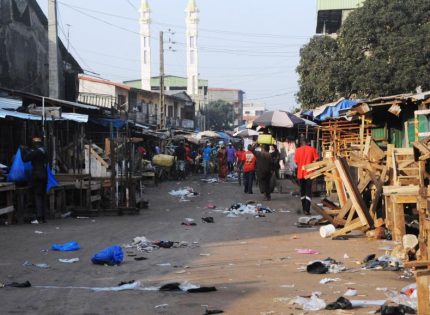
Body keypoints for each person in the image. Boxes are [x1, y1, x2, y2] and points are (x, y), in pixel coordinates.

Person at [21, 138, 48, 223]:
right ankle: (43, 218)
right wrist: (29, 150)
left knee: (37, 195)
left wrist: (23, 151)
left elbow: (25, 159)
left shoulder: (35, 152)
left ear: (35, 144)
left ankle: (39, 217)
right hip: (44, 174)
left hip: (36, 175)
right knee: (43, 195)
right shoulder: (45, 151)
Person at [294, 138, 319, 215]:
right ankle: (307, 210)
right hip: (309, 173)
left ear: (301, 143)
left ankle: (303, 207)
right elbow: (316, 160)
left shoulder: (297, 150)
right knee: (308, 191)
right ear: (308, 142)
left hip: (300, 174)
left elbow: (296, 162)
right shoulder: (312, 149)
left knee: (302, 191)